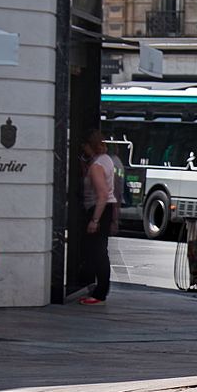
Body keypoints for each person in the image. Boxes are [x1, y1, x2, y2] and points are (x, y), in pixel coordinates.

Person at [78, 130, 117, 305]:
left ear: (90, 146)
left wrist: (95, 220)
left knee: (98, 251)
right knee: (99, 250)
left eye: (85, 146)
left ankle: (100, 293)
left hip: (98, 209)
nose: (83, 149)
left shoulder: (96, 166)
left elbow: (101, 194)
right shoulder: (106, 160)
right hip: (106, 208)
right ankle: (99, 290)